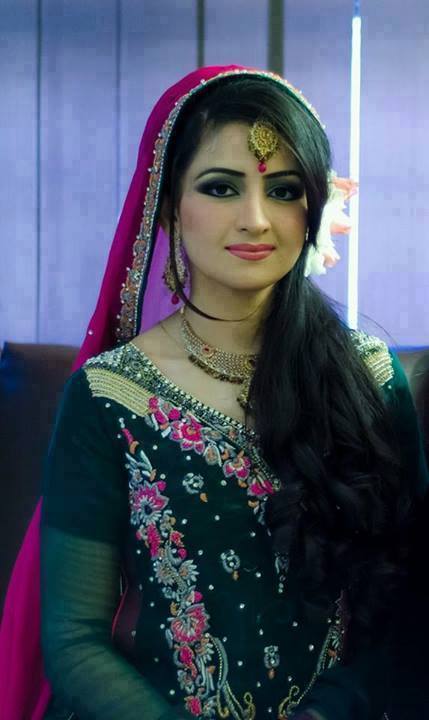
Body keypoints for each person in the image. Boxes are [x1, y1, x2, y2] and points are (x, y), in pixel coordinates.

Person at [0, 64, 427, 720]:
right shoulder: (111, 397)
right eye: (221, 187)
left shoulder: (366, 381)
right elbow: (75, 640)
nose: (255, 220)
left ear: (313, 207)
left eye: (283, 191)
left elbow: (411, 609)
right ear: (169, 204)